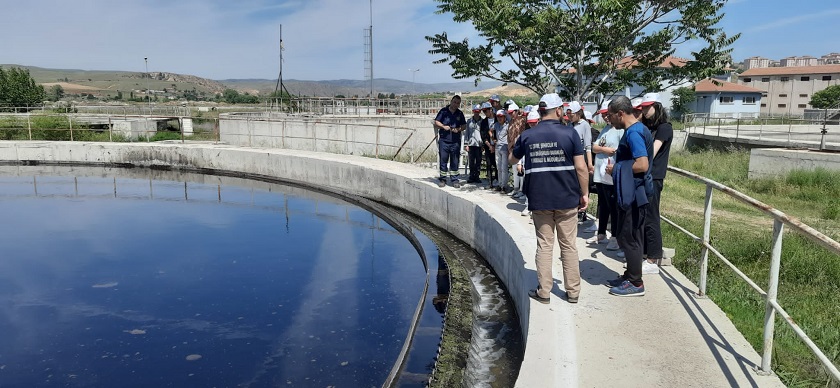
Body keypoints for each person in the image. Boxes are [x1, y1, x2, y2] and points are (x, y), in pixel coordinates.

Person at [510, 93, 589, 304]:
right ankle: (573, 292)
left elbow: (511, 158)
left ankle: (544, 292)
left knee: (545, 245)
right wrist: (585, 193)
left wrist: (517, 142)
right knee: (569, 245)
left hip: (540, 199)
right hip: (567, 198)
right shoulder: (570, 133)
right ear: (558, 110)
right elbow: (581, 167)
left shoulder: (528, 136)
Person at [604, 96, 653, 297]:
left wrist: (616, 168)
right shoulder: (637, 129)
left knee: (630, 236)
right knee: (630, 235)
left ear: (620, 113)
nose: (609, 119)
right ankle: (630, 274)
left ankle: (635, 283)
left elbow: (642, 164)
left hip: (633, 194)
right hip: (632, 192)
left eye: (610, 115)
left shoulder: (633, 133)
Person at [639, 92, 674, 275]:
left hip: (655, 176)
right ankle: (645, 253)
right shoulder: (648, 127)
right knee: (643, 215)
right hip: (645, 175)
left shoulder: (664, 128)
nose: (644, 110)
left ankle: (653, 258)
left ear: (657, 106)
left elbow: (652, 151)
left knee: (652, 216)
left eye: (647, 107)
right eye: (643, 107)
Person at [588, 100, 623, 251]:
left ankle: (615, 236)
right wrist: (604, 149)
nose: (605, 118)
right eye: (603, 115)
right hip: (600, 173)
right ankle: (601, 232)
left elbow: (617, 150)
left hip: (611, 174)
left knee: (613, 206)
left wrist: (603, 149)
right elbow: (594, 147)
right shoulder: (605, 130)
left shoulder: (621, 130)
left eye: (607, 115)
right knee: (603, 205)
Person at [567, 101, 594, 224]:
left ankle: (582, 213)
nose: (569, 117)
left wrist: (589, 163)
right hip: (570, 156)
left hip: (581, 155)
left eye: (571, 114)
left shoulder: (584, 125)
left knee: (582, 184)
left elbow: (588, 146)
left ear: (578, 113)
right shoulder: (569, 125)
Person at [433, 95, 467, 188]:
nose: (455, 104)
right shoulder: (444, 111)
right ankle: (443, 179)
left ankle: (455, 179)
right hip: (444, 140)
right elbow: (436, 122)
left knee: (455, 160)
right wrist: (443, 126)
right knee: (443, 159)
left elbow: (464, 125)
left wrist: (459, 129)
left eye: (457, 103)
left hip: (455, 141)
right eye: (454, 102)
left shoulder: (460, 114)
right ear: (451, 101)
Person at [464, 104, 484, 184]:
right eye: (475, 111)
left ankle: (477, 176)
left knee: (478, 162)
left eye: (478, 111)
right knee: (471, 162)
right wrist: (466, 144)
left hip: (479, 145)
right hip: (471, 144)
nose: (476, 113)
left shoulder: (482, 122)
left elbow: (483, 133)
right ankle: (471, 176)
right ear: (473, 111)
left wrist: (483, 145)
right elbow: (467, 133)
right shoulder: (469, 121)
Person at [480, 102, 498, 187]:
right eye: (483, 111)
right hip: (488, 147)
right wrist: (490, 146)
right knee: (489, 164)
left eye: (486, 111)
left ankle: (498, 181)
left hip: (498, 146)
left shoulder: (498, 119)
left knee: (497, 165)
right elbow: (483, 135)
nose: (485, 113)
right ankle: (490, 182)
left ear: (491, 109)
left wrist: (495, 145)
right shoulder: (483, 122)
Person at [493, 109, 511, 192]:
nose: (499, 118)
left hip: (505, 148)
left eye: (501, 116)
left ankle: (504, 185)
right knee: (498, 167)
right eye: (498, 117)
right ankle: (500, 185)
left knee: (504, 168)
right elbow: (490, 130)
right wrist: (493, 139)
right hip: (497, 148)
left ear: (504, 117)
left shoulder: (507, 125)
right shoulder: (496, 125)